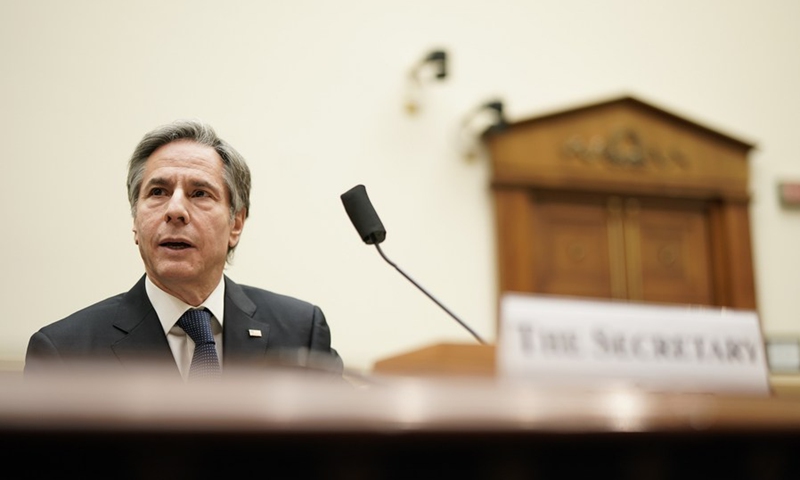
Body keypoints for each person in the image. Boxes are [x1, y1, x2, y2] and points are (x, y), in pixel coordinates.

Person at [24, 120, 342, 380]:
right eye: (158, 191)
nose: (175, 210)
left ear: (236, 224)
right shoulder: (65, 353)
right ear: (136, 220)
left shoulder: (300, 331)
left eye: (200, 193)